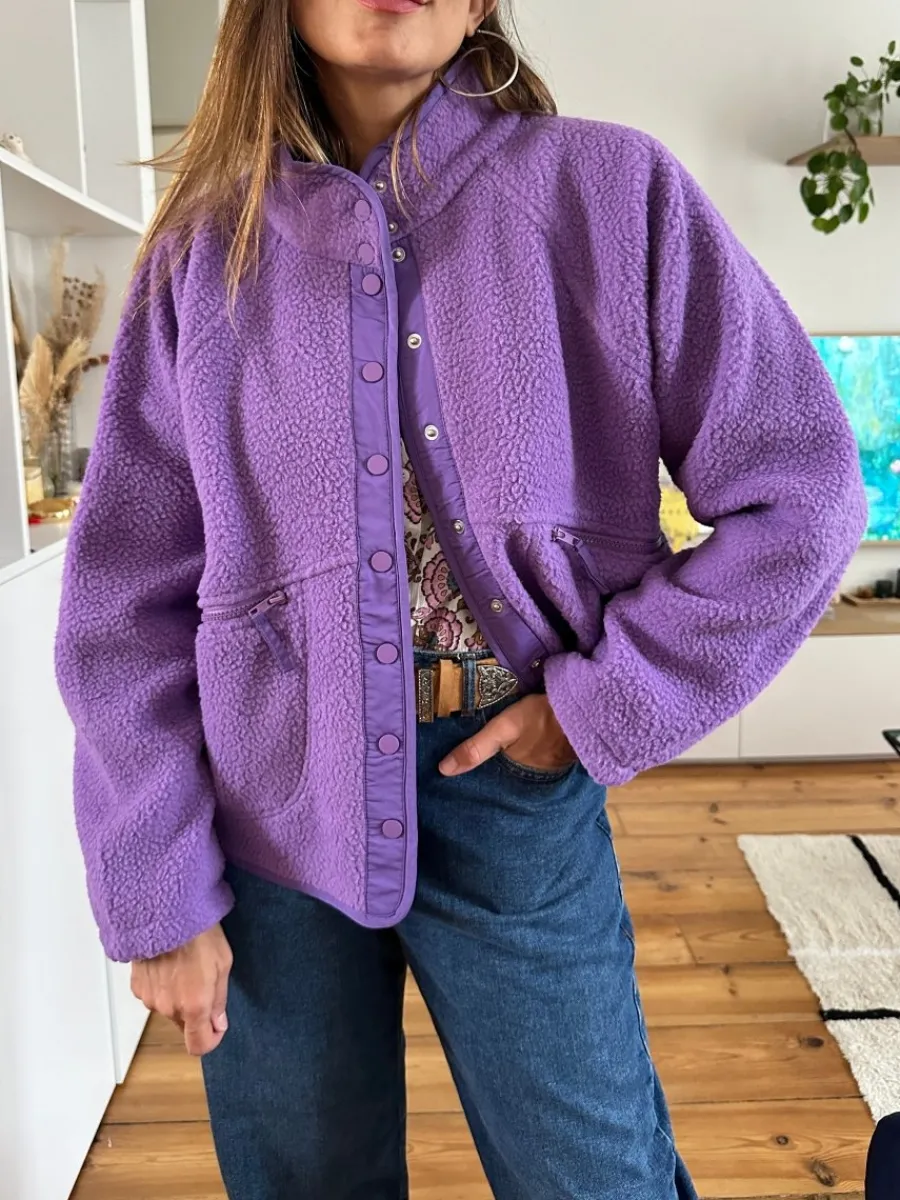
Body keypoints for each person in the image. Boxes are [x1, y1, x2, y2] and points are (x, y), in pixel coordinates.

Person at [54, 0, 867, 1196]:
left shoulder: (612, 192)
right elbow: (122, 606)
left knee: (594, 1176)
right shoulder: (201, 253)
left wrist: (598, 708)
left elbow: (803, 494)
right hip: (269, 814)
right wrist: (159, 889)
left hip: (512, 789)